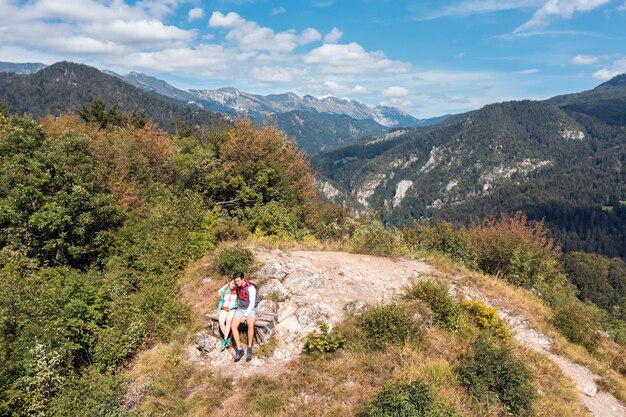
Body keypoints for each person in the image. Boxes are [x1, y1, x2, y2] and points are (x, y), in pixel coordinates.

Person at [231, 272, 259, 362]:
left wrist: (245, 315)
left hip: (250, 309)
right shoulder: (237, 286)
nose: (237, 283)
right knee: (233, 326)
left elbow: (252, 303)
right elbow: (228, 285)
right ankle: (239, 350)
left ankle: (249, 348)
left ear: (243, 279)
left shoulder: (250, 288)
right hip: (240, 309)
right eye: (236, 281)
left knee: (250, 324)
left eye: (238, 281)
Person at [217, 278, 238, 350]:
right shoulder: (224, 290)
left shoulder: (237, 290)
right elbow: (221, 301)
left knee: (228, 320)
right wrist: (218, 310)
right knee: (221, 322)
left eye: (235, 284)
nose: (233, 285)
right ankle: (228, 337)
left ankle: (224, 340)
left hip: (233, 308)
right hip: (224, 308)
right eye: (232, 283)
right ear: (229, 283)